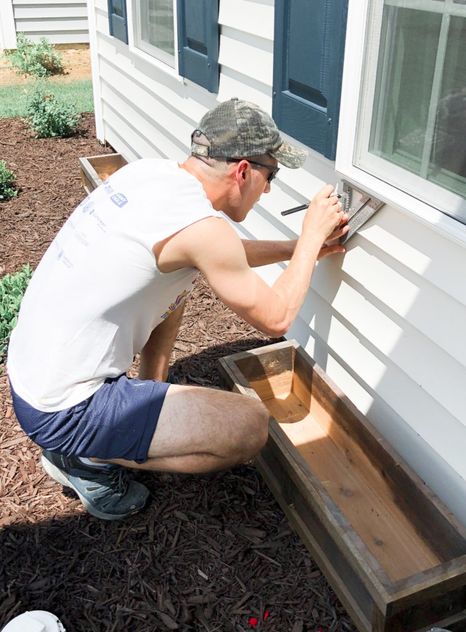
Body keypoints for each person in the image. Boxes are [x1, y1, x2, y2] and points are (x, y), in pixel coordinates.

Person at [7, 98, 348, 521]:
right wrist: (312, 235)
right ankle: (84, 460)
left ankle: (122, 423)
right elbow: (276, 318)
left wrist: (299, 249)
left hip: (31, 375)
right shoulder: (202, 229)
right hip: (64, 409)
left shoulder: (148, 174)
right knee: (248, 427)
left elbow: (223, 254)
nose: (270, 188)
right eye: (271, 175)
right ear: (243, 171)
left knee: (177, 286)